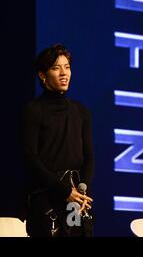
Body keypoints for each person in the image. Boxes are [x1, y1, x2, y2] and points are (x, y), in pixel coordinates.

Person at [22, 44, 94, 237]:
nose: (64, 73)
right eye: (56, 68)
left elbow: (89, 157)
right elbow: (30, 158)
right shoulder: (34, 110)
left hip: (76, 200)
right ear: (42, 75)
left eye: (67, 66)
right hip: (46, 197)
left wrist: (82, 191)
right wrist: (63, 191)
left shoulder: (81, 112)